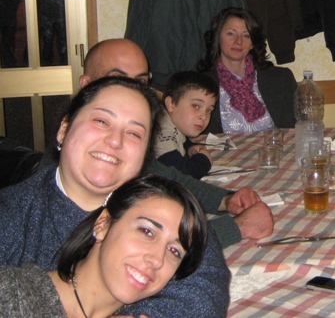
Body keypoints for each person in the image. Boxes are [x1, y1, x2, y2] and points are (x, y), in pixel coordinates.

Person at [0, 77, 231, 317]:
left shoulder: (159, 208)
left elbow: (206, 285)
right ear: (64, 128)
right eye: (101, 121)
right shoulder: (11, 214)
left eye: (133, 133)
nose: (115, 140)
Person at [81, 38, 274, 246]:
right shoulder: (83, 154)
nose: (132, 91)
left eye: (141, 82)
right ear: (86, 85)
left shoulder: (130, 140)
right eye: (117, 78)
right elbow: (135, 249)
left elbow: (168, 179)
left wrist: (225, 200)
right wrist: (238, 227)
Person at [0, 174, 207, 318]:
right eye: (146, 231)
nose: (157, 260)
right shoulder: (12, 294)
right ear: (103, 224)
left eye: (174, 251)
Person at [197, 7, 296, 133]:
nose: (238, 41)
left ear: (252, 43)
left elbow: (297, 126)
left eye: (246, 35)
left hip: (273, 150)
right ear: (218, 37)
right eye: (231, 34)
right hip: (222, 153)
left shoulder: (281, 78)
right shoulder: (199, 84)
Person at [155, 71, 218, 179]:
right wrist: (204, 160)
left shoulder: (171, 121)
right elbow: (181, 173)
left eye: (209, 110)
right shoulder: (162, 130)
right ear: (171, 104)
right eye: (196, 106)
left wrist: (189, 147)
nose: (203, 116)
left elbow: (179, 138)